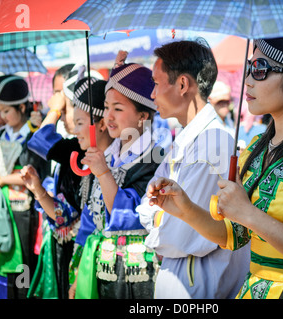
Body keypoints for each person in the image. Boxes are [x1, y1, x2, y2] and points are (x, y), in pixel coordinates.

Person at [145, 36, 283, 299]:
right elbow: (233, 235)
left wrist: (248, 214)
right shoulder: (257, 147)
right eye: (250, 68)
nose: (248, 80)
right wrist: (185, 209)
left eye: (260, 69)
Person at [137, 39, 250, 299]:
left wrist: (160, 221)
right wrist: (161, 218)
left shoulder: (213, 144)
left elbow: (179, 237)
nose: (152, 94)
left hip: (197, 290)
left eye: (156, 83)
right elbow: (148, 209)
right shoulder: (189, 139)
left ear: (183, 84)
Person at [72, 54, 171, 299]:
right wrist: (78, 274)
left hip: (137, 274)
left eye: (118, 108)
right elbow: (91, 216)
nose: (109, 116)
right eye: (106, 108)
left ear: (142, 116)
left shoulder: (155, 159)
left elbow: (129, 216)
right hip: (99, 268)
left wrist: (104, 173)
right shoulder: (109, 154)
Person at [23, 74, 111, 299]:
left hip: (89, 253)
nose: (61, 113)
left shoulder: (85, 152)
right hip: (77, 250)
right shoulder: (81, 148)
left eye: (66, 105)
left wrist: (52, 111)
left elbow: (39, 140)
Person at [0, 75, 50, 299]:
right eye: (0, 111)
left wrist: (1, 180)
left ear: (21, 107)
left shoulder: (34, 137)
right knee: (1, 258)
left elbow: (33, 176)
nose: (2, 117)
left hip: (23, 211)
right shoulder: (5, 134)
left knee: (22, 262)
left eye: (6, 111)